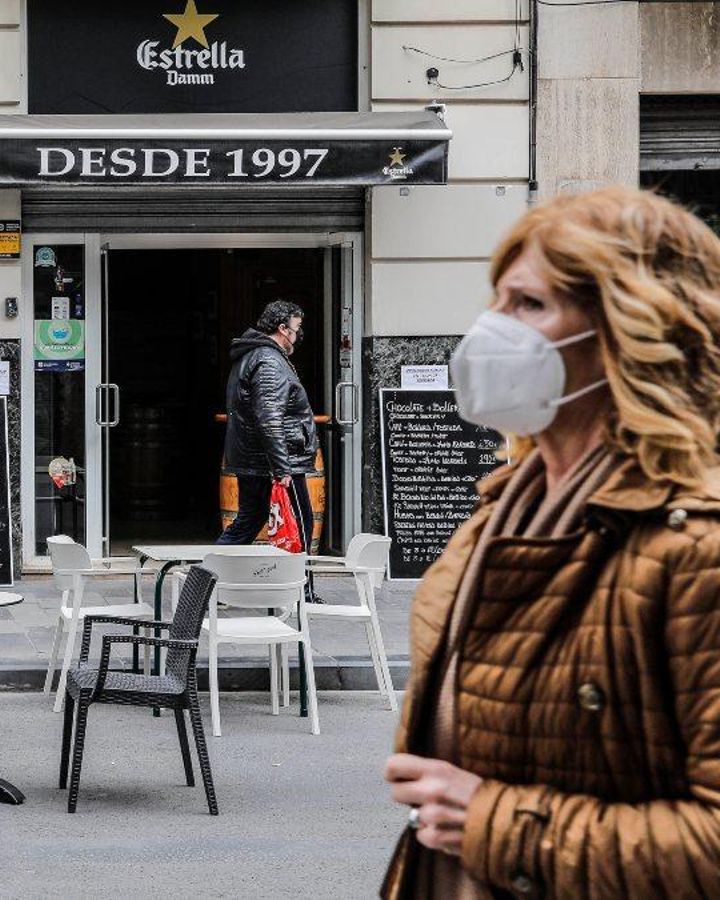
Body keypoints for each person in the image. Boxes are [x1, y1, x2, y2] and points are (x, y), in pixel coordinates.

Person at [381, 187, 720, 898]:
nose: (490, 329)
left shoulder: (695, 547)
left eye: (529, 305)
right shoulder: (501, 513)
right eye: (497, 302)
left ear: (626, 331)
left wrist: (494, 822)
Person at [218, 299, 317, 549]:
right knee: (300, 525)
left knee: (248, 522)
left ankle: (206, 580)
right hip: (274, 463)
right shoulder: (269, 361)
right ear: (283, 328)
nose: (299, 334)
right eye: (297, 327)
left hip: (257, 461)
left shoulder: (256, 356)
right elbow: (269, 417)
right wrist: (282, 468)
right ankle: (300, 587)